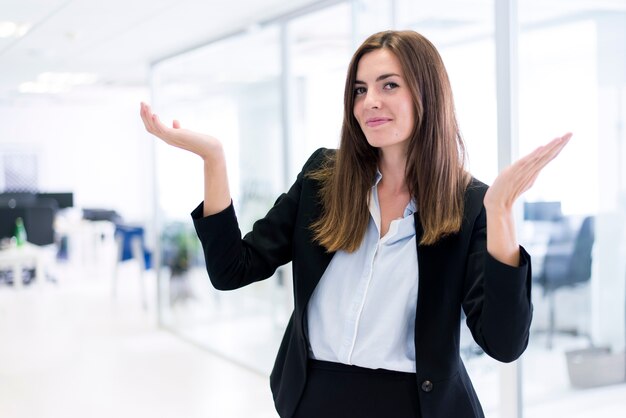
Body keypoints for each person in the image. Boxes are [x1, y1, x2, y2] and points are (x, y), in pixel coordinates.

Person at [140, 30, 571, 418]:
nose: (370, 102)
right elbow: (232, 269)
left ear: (428, 95)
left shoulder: (470, 205)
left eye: (389, 85)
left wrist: (499, 211)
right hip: (315, 398)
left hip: (413, 405)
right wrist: (213, 159)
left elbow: (504, 343)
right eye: (360, 89)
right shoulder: (324, 179)